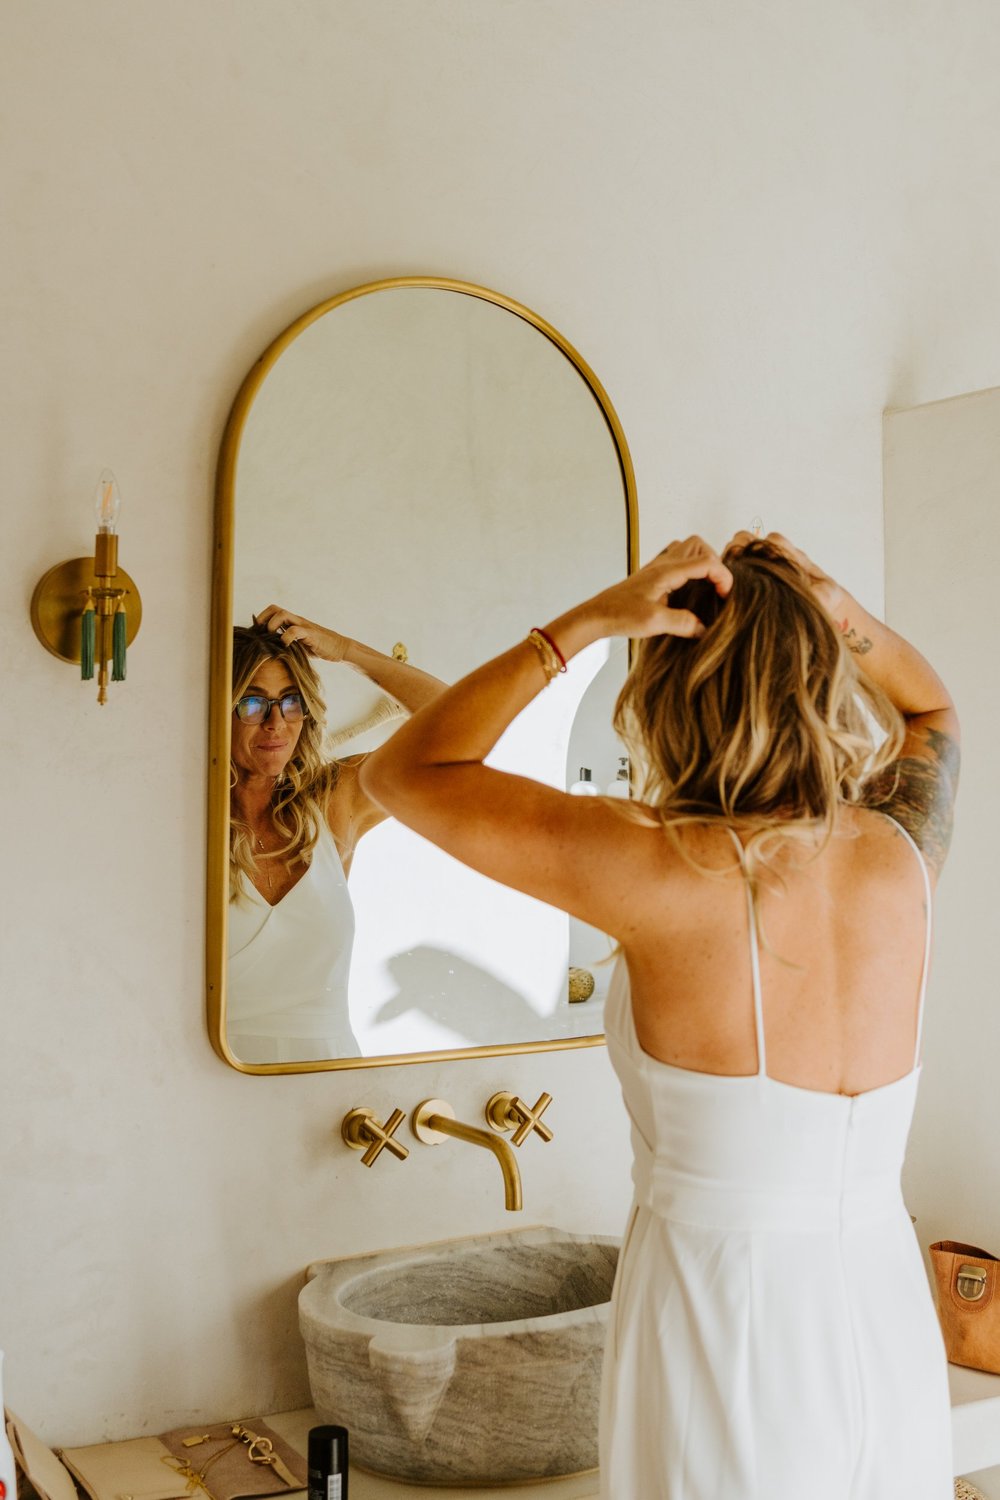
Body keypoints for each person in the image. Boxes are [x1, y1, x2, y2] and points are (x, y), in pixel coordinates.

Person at [360, 533, 960, 1498]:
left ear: (667, 692)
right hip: (885, 1324)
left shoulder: (657, 866)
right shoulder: (900, 854)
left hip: (727, 1328)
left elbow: (406, 774)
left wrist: (594, 620)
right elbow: (933, 708)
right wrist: (837, 607)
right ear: (823, 672)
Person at [228, 607, 444, 1063]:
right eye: (252, 702)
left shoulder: (331, 803)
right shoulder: (181, 819)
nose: (276, 723)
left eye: (291, 701)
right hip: (213, 1077)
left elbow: (456, 722)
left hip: (332, 1081)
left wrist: (345, 650)